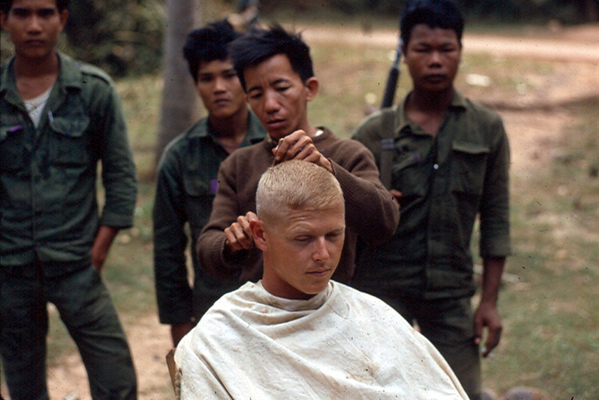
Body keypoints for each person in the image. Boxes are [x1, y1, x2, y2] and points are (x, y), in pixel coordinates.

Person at [175, 160, 468, 399]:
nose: (322, 254)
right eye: (303, 238)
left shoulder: (374, 318)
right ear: (261, 234)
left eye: (333, 235)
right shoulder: (216, 341)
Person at [351, 1, 511, 399]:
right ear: (404, 53)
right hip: (381, 294)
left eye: (447, 49)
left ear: (461, 50)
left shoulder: (486, 127)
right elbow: (343, 215)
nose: (436, 60)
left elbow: (496, 217)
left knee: (461, 393)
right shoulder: (375, 132)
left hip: (450, 294)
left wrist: (488, 302)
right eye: (423, 49)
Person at [1, 0, 138, 399]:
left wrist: (97, 253)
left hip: (78, 265)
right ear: (3, 19)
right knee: (23, 383)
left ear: (62, 19)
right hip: (11, 269)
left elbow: (121, 176)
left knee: (116, 381)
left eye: (45, 13)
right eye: (21, 13)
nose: (33, 25)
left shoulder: (92, 90)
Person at [197, 24, 399, 286]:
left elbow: (384, 223)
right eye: (257, 94)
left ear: (310, 89)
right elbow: (208, 247)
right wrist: (230, 242)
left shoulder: (348, 154)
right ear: (247, 100)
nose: (270, 105)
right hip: (264, 312)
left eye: (281, 88)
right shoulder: (238, 165)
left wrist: (330, 171)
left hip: (328, 308)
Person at [153, 20, 266, 347]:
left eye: (229, 75)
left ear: (245, 77)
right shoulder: (180, 157)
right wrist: (179, 324)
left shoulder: (279, 141)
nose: (219, 87)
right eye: (207, 78)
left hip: (278, 301)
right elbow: (167, 250)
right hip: (213, 308)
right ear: (195, 84)